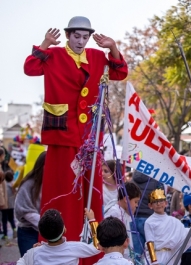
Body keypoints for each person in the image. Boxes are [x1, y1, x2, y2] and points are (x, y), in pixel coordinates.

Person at [23, 16, 128, 257]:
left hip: (90, 137)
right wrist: (45, 44)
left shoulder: (97, 57)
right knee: (63, 193)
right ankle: (57, 248)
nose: (81, 41)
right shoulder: (54, 56)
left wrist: (112, 47)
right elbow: (30, 68)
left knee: (93, 193)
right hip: (63, 134)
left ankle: (94, 252)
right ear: (68, 35)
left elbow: (120, 73)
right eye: (76, 36)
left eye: (85, 36)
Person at [17, 209, 100, 265]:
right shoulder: (74, 248)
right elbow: (98, 246)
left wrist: (35, 251)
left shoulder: (34, 253)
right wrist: (92, 220)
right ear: (64, 230)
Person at [144, 189, 191, 265]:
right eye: (155, 202)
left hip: (171, 257)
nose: (158, 204)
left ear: (166, 203)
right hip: (157, 257)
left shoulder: (173, 221)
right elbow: (150, 243)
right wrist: (154, 262)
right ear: (150, 205)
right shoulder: (149, 222)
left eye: (161, 201)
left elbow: (183, 233)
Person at [15, 151, 46, 257]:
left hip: (48, 233)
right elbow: (24, 210)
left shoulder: (54, 184)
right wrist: (47, 224)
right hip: (29, 231)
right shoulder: (29, 184)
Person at [104, 182, 141, 259]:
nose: (137, 205)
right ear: (126, 199)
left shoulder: (127, 213)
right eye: (136, 202)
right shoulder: (114, 212)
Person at [132, 170, 161, 256]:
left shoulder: (132, 180)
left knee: (136, 253)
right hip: (150, 219)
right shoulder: (156, 181)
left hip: (134, 218)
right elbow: (159, 201)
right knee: (152, 252)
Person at [1, 170, 16, 240]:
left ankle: (5, 235)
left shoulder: (4, 185)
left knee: (4, 220)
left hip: (5, 205)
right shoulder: (13, 185)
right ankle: (15, 229)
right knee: (11, 218)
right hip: (12, 205)